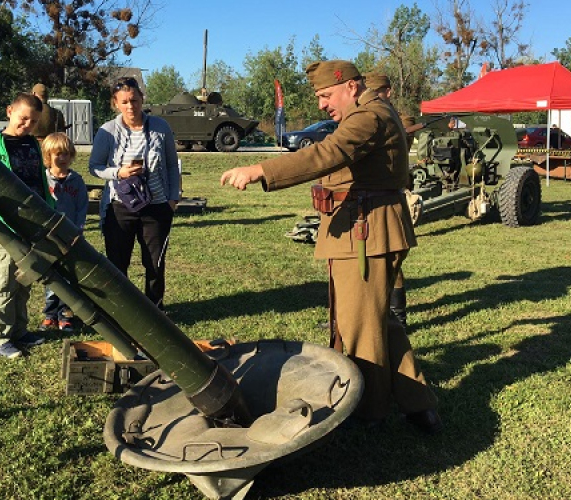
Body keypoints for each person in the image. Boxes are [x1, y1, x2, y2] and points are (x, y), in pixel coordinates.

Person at [220, 60, 441, 433]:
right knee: (377, 323)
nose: (321, 105)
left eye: (325, 95)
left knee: (359, 329)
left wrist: (261, 170)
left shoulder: (369, 116)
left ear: (351, 87)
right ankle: (418, 403)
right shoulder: (370, 111)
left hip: (364, 233)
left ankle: (366, 414)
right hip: (362, 228)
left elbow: (328, 153)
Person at [88, 77, 180, 311]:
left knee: (155, 263)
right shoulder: (107, 131)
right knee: (118, 263)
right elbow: (95, 167)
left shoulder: (160, 127)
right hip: (120, 207)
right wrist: (120, 172)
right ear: (115, 104)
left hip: (157, 206)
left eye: (135, 100)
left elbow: (172, 164)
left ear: (142, 99)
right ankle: (122, 311)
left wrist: (172, 198)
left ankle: (155, 309)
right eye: (125, 102)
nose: (131, 106)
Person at [0, 93, 54, 359]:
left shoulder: (33, 145)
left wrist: (49, 209)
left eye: (33, 122)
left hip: (31, 221)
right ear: (10, 111)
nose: (27, 125)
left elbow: (38, 179)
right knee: (5, 278)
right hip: (3, 223)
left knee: (25, 277)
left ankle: (19, 331)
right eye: (23, 118)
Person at [365, 72, 412, 331]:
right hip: (371, 201)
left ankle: (397, 317)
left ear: (388, 91)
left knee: (392, 265)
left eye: (376, 91)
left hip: (389, 199)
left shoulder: (393, 117)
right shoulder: (370, 115)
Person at [39, 132, 88, 332]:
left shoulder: (76, 180)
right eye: (58, 154)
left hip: (70, 236)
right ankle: (50, 314)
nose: (62, 158)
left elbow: (82, 207)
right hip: (49, 236)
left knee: (68, 278)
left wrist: (77, 230)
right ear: (48, 156)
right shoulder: (43, 179)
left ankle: (65, 314)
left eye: (66, 154)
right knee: (52, 277)